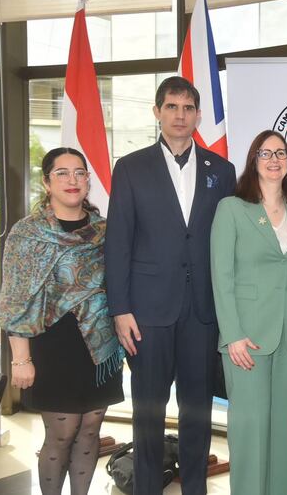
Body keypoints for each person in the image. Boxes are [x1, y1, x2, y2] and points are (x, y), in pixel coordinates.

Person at [105, 76, 236, 495]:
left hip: (202, 310)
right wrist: (119, 309)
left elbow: (229, 242)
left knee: (197, 409)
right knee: (148, 410)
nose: (181, 115)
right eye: (172, 107)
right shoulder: (130, 167)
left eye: (188, 108)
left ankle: (195, 487)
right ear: (157, 112)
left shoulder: (223, 170)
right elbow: (118, 243)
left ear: (198, 114)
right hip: (146, 311)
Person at [0, 148, 123, 495]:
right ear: (46, 182)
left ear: (88, 180)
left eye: (79, 173)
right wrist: (21, 358)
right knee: (62, 433)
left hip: (100, 346)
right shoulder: (27, 234)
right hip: (52, 344)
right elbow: (14, 300)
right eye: (62, 173)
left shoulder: (104, 230)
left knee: (90, 431)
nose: (72, 180)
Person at [210, 130, 287, 494]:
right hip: (247, 338)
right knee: (249, 429)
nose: (274, 159)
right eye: (265, 153)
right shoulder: (232, 209)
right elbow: (221, 277)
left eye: (281, 153)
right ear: (253, 161)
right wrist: (232, 335)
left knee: (281, 428)